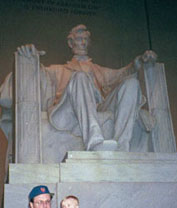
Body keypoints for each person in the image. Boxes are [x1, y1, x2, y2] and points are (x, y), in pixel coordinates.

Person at [13, 24, 157, 152]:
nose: (82, 43)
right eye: (79, 39)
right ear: (70, 42)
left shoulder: (99, 71)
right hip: (70, 112)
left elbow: (122, 73)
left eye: (85, 39)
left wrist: (137, 63)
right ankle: (94, 142)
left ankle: (121, 146)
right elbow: (40, 74)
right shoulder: (59, 70)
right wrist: (30, 57)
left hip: (99, 108)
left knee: (132, 84)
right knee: (80, 77)